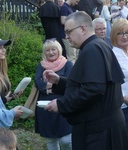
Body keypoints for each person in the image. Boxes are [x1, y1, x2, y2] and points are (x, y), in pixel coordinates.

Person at [43, 11, 128, 150]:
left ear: (82, 28)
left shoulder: (92, 49)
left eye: (69, 31)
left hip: (100, 133)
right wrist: (60, 81)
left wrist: (61, 104)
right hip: (105, 128)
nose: (66, 37)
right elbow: (93, 84)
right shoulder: (97, 45)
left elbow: (94, 89)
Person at [35, 39, 73, 150]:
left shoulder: (67, 64)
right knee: (50, 141)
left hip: (62, 105)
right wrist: (56, 85)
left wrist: (51, 85)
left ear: (59, 50)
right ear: (44, 52)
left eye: (53, 49)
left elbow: (69, 83)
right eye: (47, 50)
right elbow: (38, 82)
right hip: (45, 106)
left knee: (66, 140)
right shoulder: (41, 65)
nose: (51, 52)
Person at [110, 18, 128, 131]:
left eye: (126, 32)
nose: (124, 36)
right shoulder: (112, 55)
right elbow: (110, 84)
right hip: (123, 107)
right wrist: (123, 98)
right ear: (113, 35)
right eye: (120, 33)